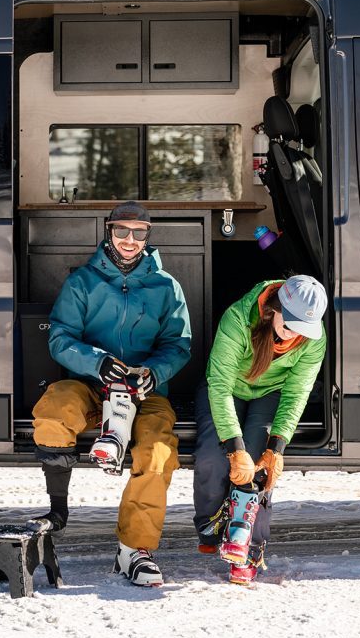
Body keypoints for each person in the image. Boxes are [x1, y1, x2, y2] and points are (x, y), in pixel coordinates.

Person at [32, 201, 191, 587]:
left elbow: (178, 344)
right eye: (122, 231)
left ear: (148, 236)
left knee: (157, 452)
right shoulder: (83, 282)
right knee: (54, 410)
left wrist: (154, 373)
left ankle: (133, 550)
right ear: (108, 232)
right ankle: (58, 510)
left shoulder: (166, 286)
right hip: (91, 385)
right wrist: (96, 362)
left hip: (145, 394)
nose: (130, 240)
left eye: (139, 233)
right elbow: (60, 337)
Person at [193, 275, 327, 585]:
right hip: (225, 389)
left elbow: (297, 393)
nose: (293, 333)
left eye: (302, 329)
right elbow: (220, 385)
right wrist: (233, 448)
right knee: (214, 456)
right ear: (275, 308)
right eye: (289, 323)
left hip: (271, 392)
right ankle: (210, 524)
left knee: (258, 463)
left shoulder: (313, 340)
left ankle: (249, 543)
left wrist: (276, 448)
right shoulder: (238, 318)